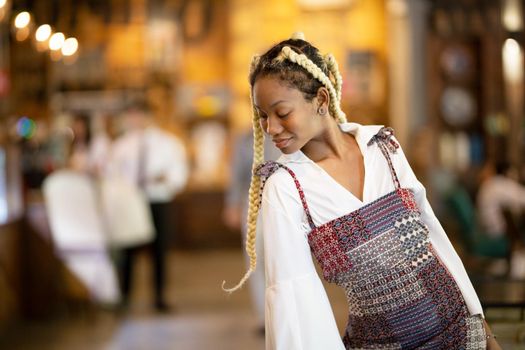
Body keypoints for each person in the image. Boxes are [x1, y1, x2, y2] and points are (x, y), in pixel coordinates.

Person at [223, 33, 501, 349]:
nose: (270, 127)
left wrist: (485, 332)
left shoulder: (383, 147)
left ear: (321, 100)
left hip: (460, 334)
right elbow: (293, 299)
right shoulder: (286, 186)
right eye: (262, 116)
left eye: (281, 113)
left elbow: (435, 242)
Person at [108, 100, 188, 311]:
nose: (135, 120)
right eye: (130, 116)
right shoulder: (120, 146)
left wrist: (165, 180)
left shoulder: (166, 142)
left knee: (159, 250)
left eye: (138, 115)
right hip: (131, 201)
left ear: (148, 116)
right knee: (128, 249)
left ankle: (159, 296)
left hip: (158, 200)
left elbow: (178, 171)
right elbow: (113, 174)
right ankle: (124, 297)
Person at [223, 128, 280, 334]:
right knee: (255, 260)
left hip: (285, 202)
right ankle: (263, 317)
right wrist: (232, 205)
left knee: (283, 259)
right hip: (254, 201)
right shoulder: (245, 139)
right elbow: (236, 174)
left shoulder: (289, 132)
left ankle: (283, 312)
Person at [477, 160, 525, 239]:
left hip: (484, 229)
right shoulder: (496, 184)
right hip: (494, 233)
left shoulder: (488, 185)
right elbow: (521, 197)